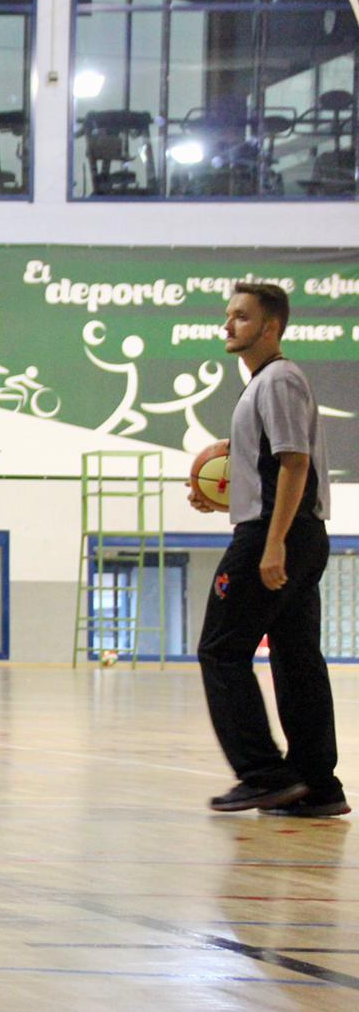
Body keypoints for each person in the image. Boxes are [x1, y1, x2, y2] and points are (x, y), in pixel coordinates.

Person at [192, 282, 345, 817]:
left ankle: (261, 773)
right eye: (228, 316)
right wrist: (223, 500)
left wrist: (273, 540)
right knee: (296, 657)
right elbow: (267, 467)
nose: (227, 325)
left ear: (271, 326)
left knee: (220, 650)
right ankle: (316, 785)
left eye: (240, 316)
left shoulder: (278, 380)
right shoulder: (267, 383)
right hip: (291, 531)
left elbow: (293, 463)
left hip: (277, 535)